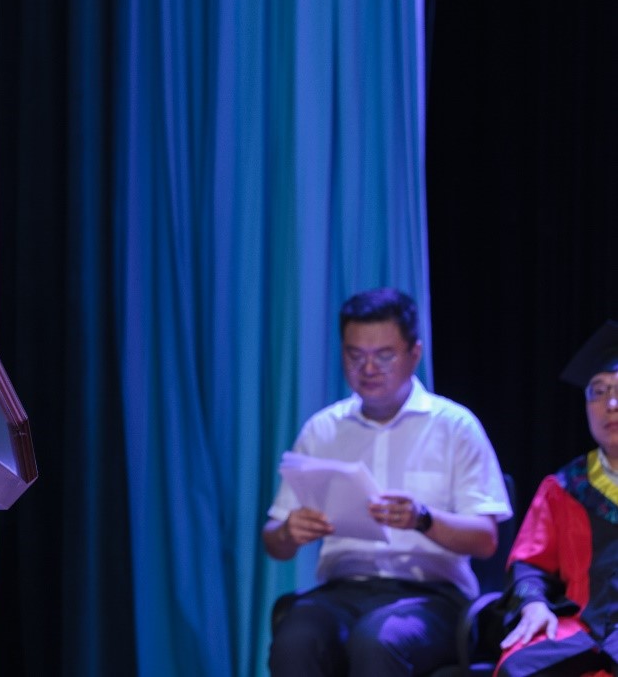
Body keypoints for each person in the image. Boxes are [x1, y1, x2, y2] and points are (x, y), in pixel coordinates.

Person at [263, 287, 512, 676]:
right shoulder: (322, 430)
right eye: (355, 355)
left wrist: (423, 519)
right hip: (341, 590)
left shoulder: (454, 427)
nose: (368, 369)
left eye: (384, 356)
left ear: (415, 353)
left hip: (432, 596)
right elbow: (274, 540)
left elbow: (485, 540)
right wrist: (288, 533)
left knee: (378, 639)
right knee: (295, 641)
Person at [494, 320, 618, 677]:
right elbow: (529, 563)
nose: (611, 403)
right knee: (517, 668)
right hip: (583, 626)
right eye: (597, 391)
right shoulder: (564, 487)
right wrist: (533, 603)